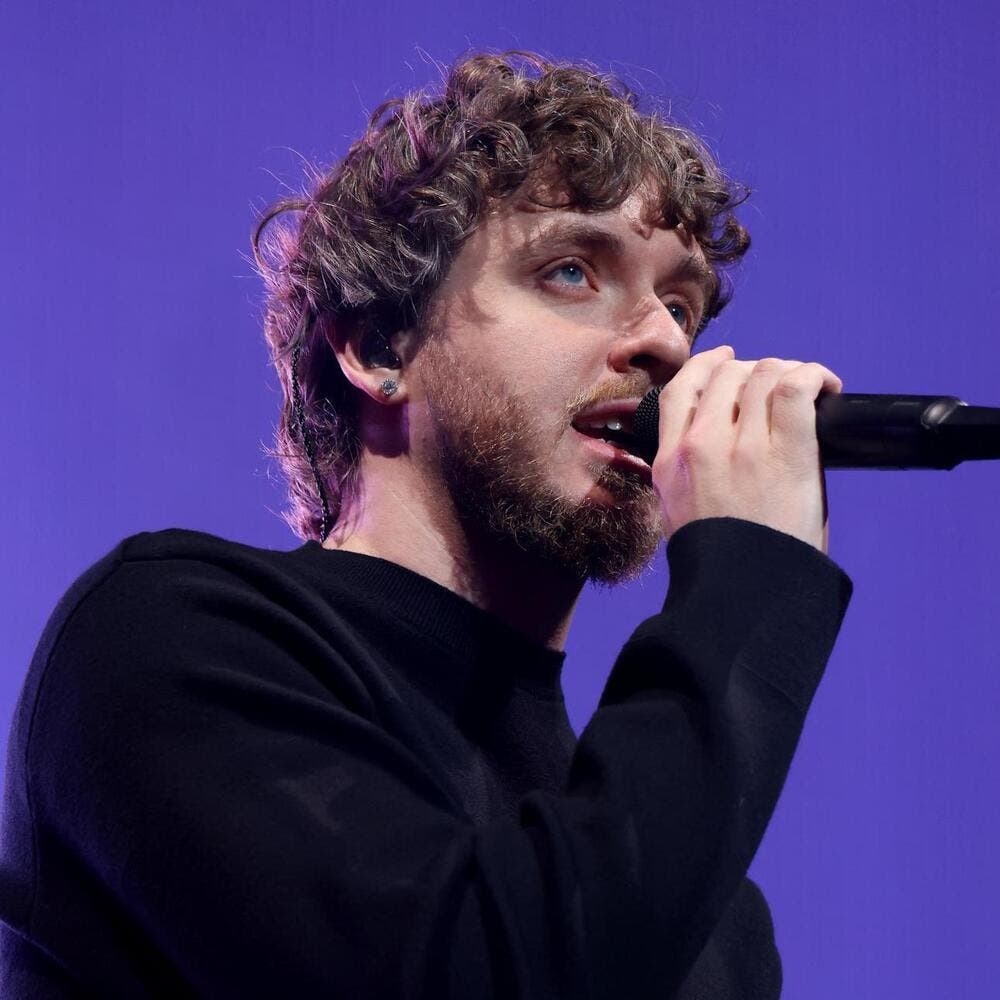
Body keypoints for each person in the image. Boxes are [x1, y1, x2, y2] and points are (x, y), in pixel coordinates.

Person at [0, 50, 852, 998]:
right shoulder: (169, 639)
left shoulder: (696, 909)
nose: (665, 344)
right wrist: (748, 578)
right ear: (379, 346)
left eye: (681, 306)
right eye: (572, 271)